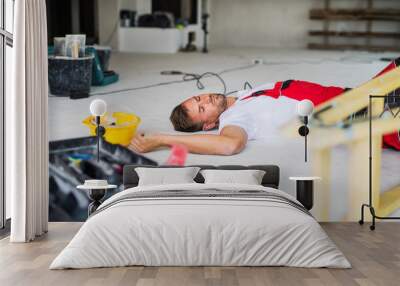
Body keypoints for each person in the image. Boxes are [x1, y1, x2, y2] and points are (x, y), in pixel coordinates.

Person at [128, 59, 400, 155]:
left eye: (198, 99)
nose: (206, 99)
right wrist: (162, 139)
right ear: (209, 124)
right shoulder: (234, 119)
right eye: (201, 109)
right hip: (369, 115)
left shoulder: (245, 96)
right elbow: (228, 146)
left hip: (366, 93)